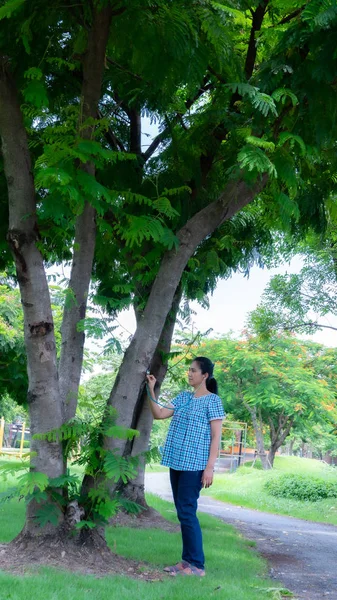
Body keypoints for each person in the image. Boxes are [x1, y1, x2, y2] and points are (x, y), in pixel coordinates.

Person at [146, 356, 225, 577]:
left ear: (205, 376)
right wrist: (151, 390)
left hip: (195, 465)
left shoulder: (212, 401)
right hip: (177, 462)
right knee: (183, 512)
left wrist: (210, 468)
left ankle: (197, 566)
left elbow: (216, 437)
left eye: (194, 371)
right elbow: (159, 413)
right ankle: (186, 561)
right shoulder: (183, 397)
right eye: (188, 370)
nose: (189, 374)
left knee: (187, 512)